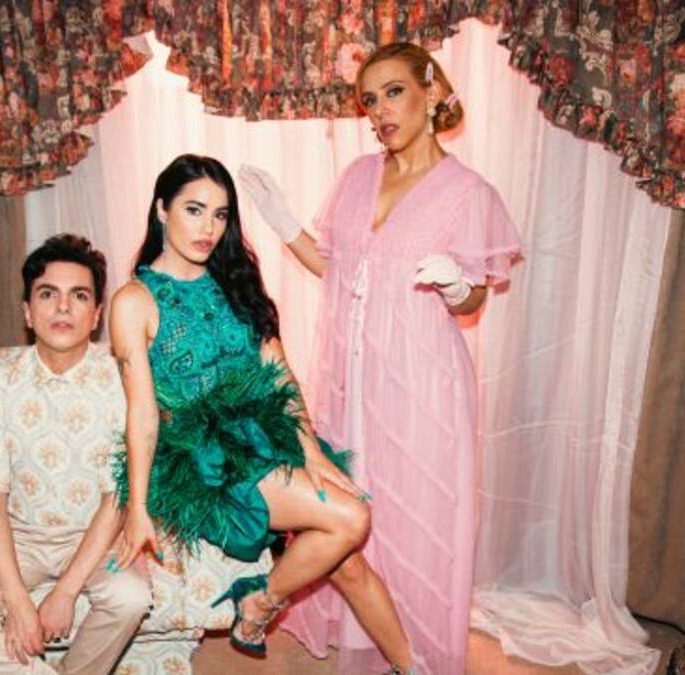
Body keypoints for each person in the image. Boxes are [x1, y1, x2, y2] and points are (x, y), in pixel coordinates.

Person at [239, 43, 523, 675]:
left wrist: (458, 284)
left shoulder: (468, 193)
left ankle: (414, 647)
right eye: (370, 100)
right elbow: (335, 268)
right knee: (354, 500)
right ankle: (369, 630)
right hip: (352, 375)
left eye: (394, 92)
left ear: (431, 90)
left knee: (416, 511)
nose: (380, 111)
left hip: (423, 380)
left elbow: (474, 298)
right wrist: (284, 223)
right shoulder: (358, 176)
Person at [109, 154, 418, 673]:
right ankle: (258, 601)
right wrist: (137, 506)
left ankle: (414, 669)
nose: (208, 228)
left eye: (220, 214)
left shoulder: (236, 281)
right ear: (161, 209)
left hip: (264, 435)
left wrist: (310, 450)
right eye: (194, 210)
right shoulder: (134, 301)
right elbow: (142, 413)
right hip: (205, 462)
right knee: (352, 517)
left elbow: (280, 375)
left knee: (349, 565)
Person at [0, 235, 151, 675]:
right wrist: (17, 600)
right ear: (28, 312)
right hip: (19, 534)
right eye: (48, 294)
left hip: (96, 532)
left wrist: (65, 591)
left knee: (131, 597)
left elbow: (116, 499)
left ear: (97, 316)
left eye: (80, 296)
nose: (63, 307)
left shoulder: (121, 382)